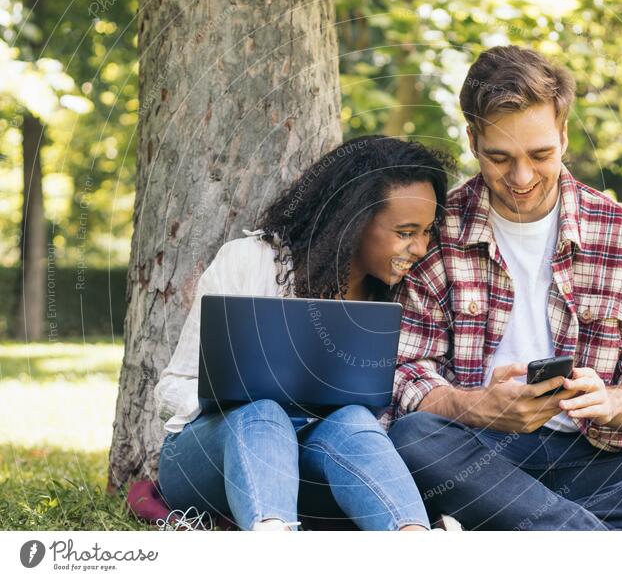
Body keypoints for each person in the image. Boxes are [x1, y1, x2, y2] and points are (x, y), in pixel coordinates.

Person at [385, 46, 622, 531]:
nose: (522, 177)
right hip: (479, 455)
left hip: (597, 459)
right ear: (472, 139)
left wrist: (612, 402)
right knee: (414, 437)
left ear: (564, 134)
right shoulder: (436, 234)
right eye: (500, 157)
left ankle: (538, 535)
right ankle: (591, 545)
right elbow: (405, 372)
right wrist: (480, 406)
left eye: (540, 154)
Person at [155, 135, 452, 531]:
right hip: (211, 457)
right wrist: (230, 400)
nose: (420, 248)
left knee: (353, 420)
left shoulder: (397, 297)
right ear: (354, 221)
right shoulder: (250, 263)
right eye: (405, 232)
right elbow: (171, 387)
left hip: (314, 466)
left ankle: (414, 537)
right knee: (264, 414)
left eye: (427, 231)